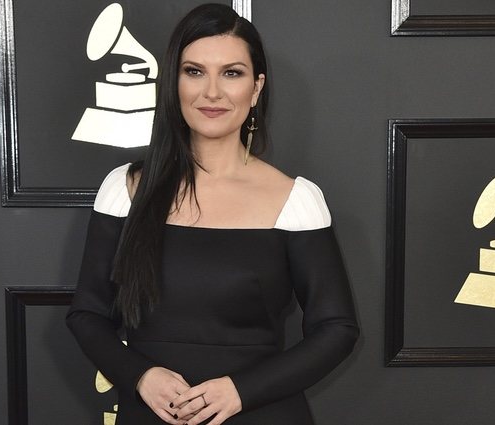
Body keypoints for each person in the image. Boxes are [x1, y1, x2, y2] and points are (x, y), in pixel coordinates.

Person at [66, 4, 359, 424]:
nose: (212, 93)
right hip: (151, 414)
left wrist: (241, 392)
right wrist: (141, 375)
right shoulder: (127, 189)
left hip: (261, 413)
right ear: (174, 82)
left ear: (256, 88)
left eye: (232, 73)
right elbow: (88, 315)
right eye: (195, 71)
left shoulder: (296, 200)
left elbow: (337, 330)